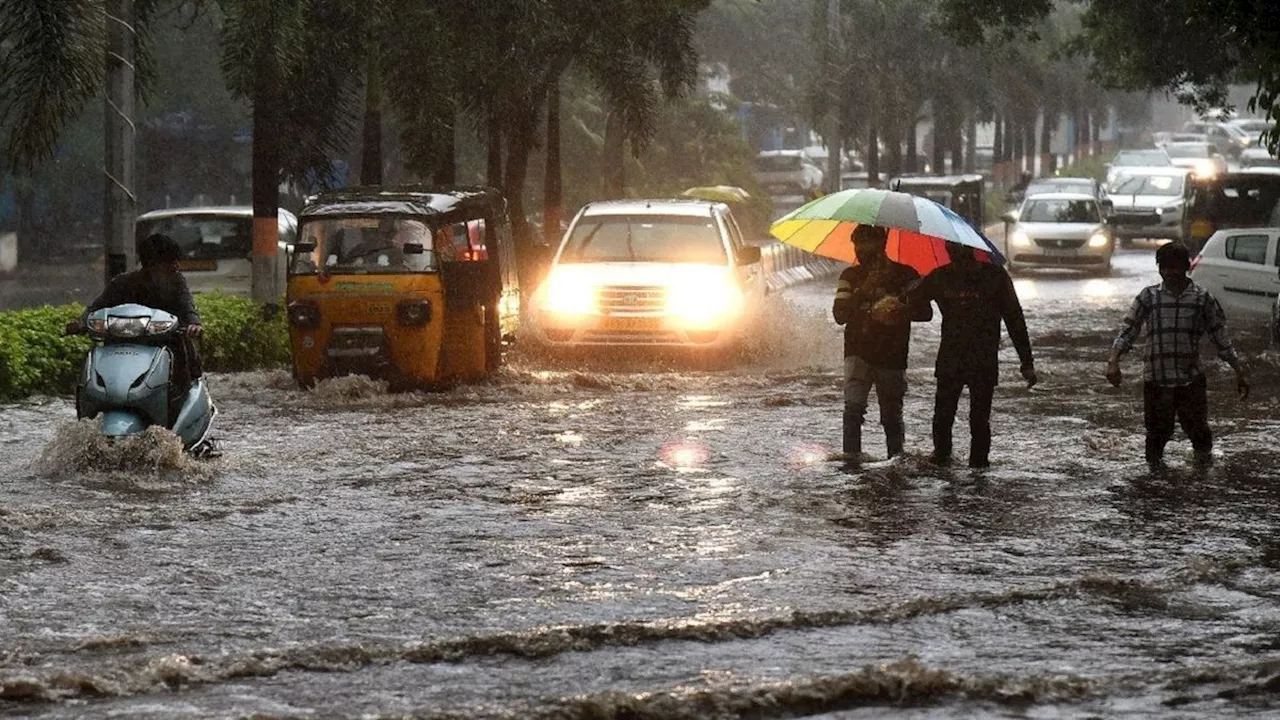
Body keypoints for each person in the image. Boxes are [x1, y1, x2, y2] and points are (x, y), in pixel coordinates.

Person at [1106, 242, 1249, 466]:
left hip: (1189, 380)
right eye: (1165, 267)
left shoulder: (1202, 299)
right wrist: (1113, 361)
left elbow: (1220, 337)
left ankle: (1201, 479)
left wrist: (1239, 371)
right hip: (1157, 379)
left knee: (1199, 433)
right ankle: (1156, 483)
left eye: (1175, 267)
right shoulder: (1149, 297)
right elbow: (1128, 330)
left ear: (1186, 267)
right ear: (1159, 269)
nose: (1170, 273)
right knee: (1156, 436)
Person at [909, 242, 1037, 468]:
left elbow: (1014, 318)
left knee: (975, 420)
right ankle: (946, 463)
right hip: (955, 358)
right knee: (945, 417)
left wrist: (1027, 362)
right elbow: (913, 303)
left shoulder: (994, 276)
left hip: (980, 360)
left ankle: (973, 466)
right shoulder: (941, 277)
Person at [832, 225, 933, 463]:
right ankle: (851, 461)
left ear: (881, 245)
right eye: (858, 245)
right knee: (853, 411)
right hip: (857, 352)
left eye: (867, 245)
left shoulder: (906, 275)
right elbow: (839, 315)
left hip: (893, 354)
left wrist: (900, 309)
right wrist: (862, 291)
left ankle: (895, 461)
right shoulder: (850, 276)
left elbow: (925, 312)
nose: (861, 251)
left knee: (891, 415)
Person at [67, 233, 204, 394]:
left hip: (165, 342)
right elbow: (96, 307)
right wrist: (81, 322)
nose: (176, 266)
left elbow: (187, 307)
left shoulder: (176, 281)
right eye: (169, 262)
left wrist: (194, 324)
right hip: (122, 344)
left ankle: (182, 394)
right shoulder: (122, 283)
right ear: (152, 264)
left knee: (183, 356)